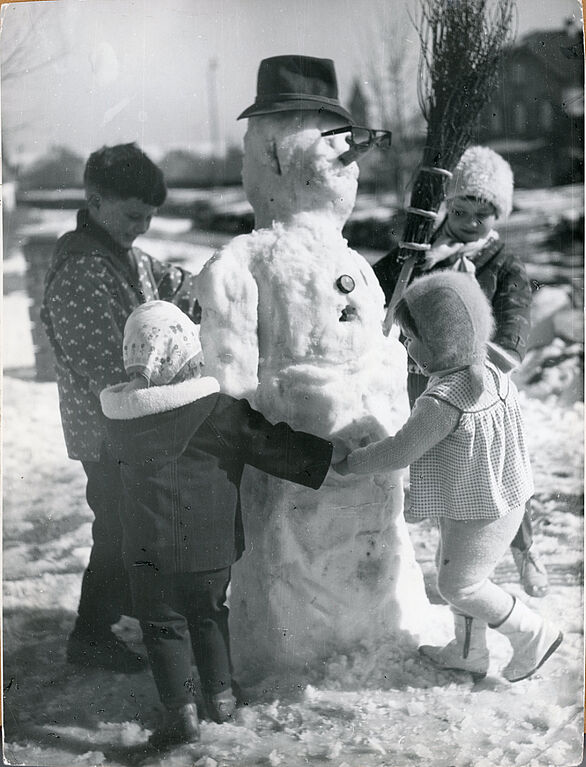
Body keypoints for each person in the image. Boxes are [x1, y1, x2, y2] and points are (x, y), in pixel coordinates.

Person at [99, 301, 340, 749]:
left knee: (162, 626)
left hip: (146, 549)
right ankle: (221, 699)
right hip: (208, 550)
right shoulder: (215, 410)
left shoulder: (118, 418)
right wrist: (324, 456)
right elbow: (268, 442)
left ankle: (180, 713)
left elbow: (110, 482)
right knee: (209, 616)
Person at [334, 271, 562, 683]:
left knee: (460, 585)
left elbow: (401, 449)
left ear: (440, 341)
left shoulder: (444, 399)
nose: (406, 345)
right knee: (456, 568)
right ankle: (467, 651)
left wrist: (352, 461)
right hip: (494, 497)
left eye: (411, 337)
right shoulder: (488, 367)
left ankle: (533, 634)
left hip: (482, 510)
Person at [40, 143, 201, 673]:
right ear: (96, 201)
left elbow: (174, 286)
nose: (142, 226)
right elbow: (100, 362)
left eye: (150, 217)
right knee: (116, 528)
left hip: (129, 426)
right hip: (107, 428)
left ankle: (125, 606)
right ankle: (91, 633)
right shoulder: (83, 268)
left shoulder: (123, 253)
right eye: (134, 215)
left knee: (131, 522)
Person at [373, 145, 549, 598]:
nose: (470, 221)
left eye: (483, 214)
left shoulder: (504, 265)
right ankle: (456, 550)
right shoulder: (420, 252)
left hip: (479, 383)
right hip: (420, 373)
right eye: (461, 208)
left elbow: (513, 328)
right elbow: (372, 287)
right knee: (436, 458)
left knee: (494, 470)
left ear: (499, 216)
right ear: (446, 205)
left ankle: (523, 548)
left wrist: (485, 348)